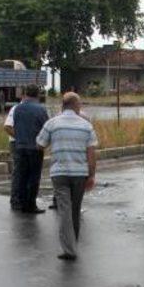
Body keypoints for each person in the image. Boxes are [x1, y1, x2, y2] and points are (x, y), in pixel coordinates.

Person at [36, 92, 98, 261]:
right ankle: (73, 244)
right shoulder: (87, 126)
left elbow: (40, 144)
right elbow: (91, 154)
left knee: (65, 210)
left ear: (62, 106)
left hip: (60, 173)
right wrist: (92, 175)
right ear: (77, 106)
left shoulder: (52, 123)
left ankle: (69, 249)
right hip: (80, 174)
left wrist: (55, 144)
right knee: (75, 209)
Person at [6, 86, 48, 214]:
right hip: (35, 147)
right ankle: (31, 204)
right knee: (33, 176)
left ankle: (20, 202)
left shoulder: (17, 108)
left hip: (19, 146)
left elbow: (12, 126)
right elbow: (46, 127)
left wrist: (19, 138)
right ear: (37, 95)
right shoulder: (40, 109)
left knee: (20, 175)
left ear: (26, 94)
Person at [3, 103, 20, 210]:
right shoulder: (16, 109)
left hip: (25, 143)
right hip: (16, 142)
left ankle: (23, 197)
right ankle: (15, 198)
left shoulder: (36, 108)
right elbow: (7, 127)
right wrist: (21, 137)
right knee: (18, 170)